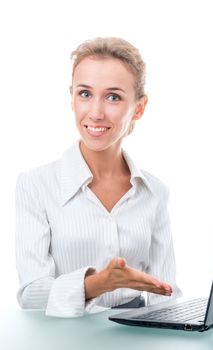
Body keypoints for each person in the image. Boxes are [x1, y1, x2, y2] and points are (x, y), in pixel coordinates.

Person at [15, 37, 182, 317]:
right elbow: (30, 294)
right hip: (64, 337)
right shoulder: (35, 185)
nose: (95, 112)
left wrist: (184, 324)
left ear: (138, 108)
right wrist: (95, 285)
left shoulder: (155, 192)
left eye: (113, 97)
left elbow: (165, 294)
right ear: (72, 98)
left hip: (135, 334)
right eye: (85, 94)